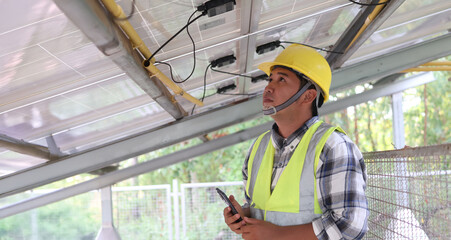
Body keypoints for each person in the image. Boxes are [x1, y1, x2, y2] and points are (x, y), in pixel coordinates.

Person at [222, 44, 368, 240]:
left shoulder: (332, 146)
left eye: (282, 79)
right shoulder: (258, 148)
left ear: (308, 95)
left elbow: (350, 226)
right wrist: (244, 216)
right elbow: (263, 208)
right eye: (270, 79)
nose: (269, 87)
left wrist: (277, 234)